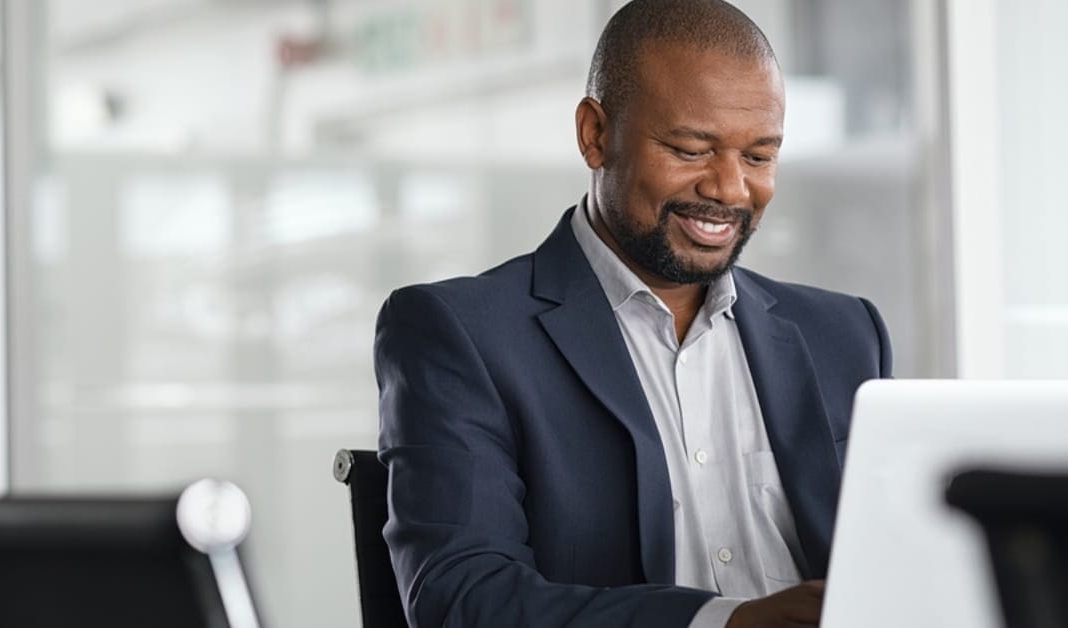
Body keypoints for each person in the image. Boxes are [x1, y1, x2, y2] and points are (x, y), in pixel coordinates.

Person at [373, 1, 892, 626]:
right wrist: (726, 622)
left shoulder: (843, 334)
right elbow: (462, 598)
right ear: (596, 135)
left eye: (758, 157)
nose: (730, 190)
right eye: (690, 149)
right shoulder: (461, 333)